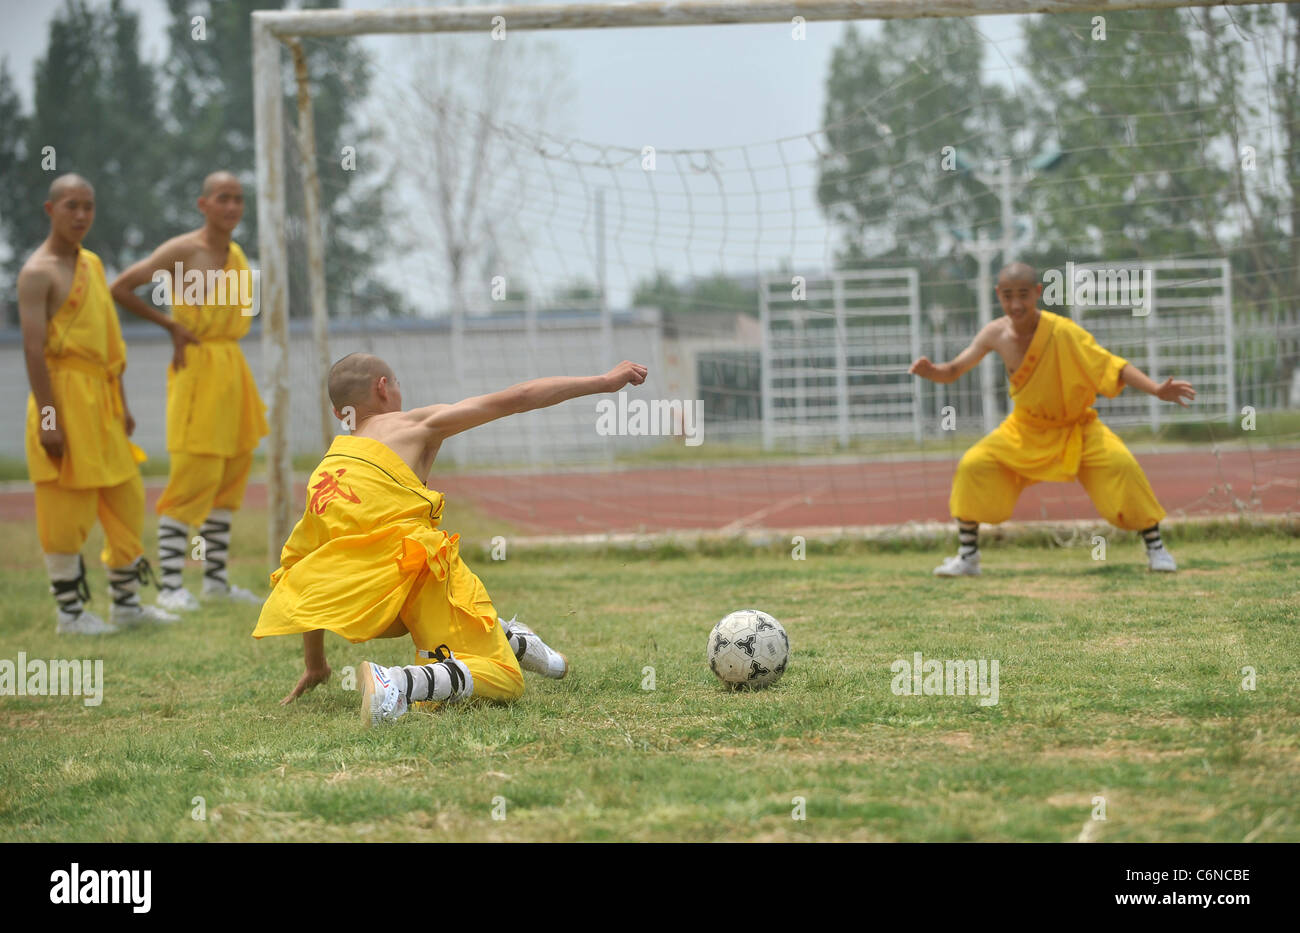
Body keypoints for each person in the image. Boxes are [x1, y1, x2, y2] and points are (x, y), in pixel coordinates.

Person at [255, 353, 648, 726]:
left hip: (373, 604)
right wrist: (603, 381)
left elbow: (304, 569)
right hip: (417, 576)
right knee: (505, 679)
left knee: (455, 660)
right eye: (397, 384)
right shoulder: (414, 425)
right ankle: (395, 683)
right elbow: (517, 398)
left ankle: (515, 641)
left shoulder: (327, 472)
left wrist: (316, 663)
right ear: (382, 388)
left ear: (340, 411)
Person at [910, 262, 1195, 576]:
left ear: (1037, 293)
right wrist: (932, 372)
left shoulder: (1062, 331)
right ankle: (968, 557)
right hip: (1025, 429)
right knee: (974, 465)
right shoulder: (995, 333)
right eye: (1007, 296)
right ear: (998, 296)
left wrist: (1156, 389)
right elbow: (954, 369)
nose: (1016, 304)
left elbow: (1110, 366)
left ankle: (1156, 549)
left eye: (1023, 295)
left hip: (1077, 427)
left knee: (1123, 467)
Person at [18, 174, 177, 633]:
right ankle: (70, 613)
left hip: (103, 403)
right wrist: (49, 419)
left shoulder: (93, 264)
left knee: (126, 499)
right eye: (72, 206)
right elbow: (32, 350)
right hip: (61, 399)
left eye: (88, 206)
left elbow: (111, 346)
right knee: (65, 508)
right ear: (51, 210)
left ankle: (126, 604)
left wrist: (122, 404)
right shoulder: (36, 272)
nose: (82, 215)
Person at [111, 171, 268, 611]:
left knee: (231, 474)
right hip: (196, 367)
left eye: (238, 199)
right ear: (203, 204)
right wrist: (170, 325)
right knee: (192, 475)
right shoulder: (183, 249)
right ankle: (170, 587)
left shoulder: (236, 254)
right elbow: (120, 287)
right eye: (223, 198)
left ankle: (216, 581)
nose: (232, 207)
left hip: (232, 368)